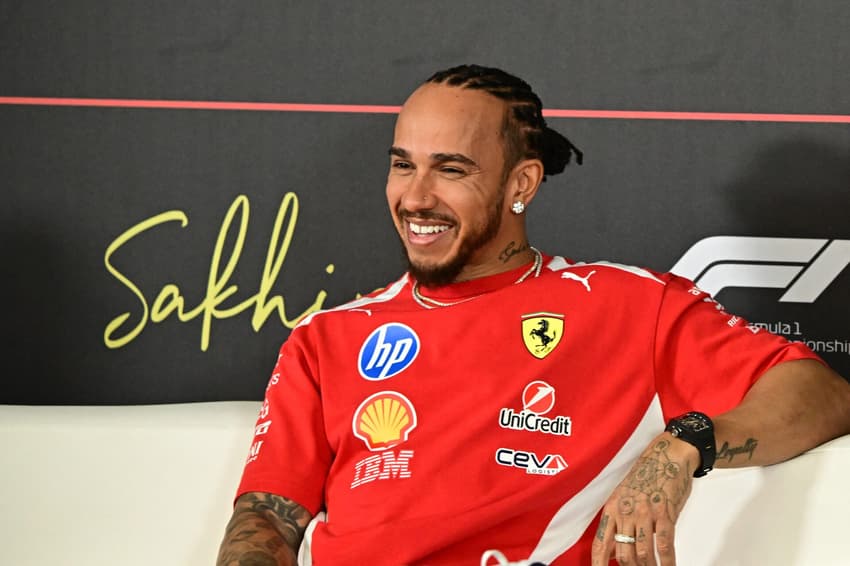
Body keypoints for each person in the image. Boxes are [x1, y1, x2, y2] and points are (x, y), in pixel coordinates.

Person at [217, 64, 850, 566]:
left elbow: (821, 395)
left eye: (451, 170)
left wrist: (683, 444)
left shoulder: (629, 306)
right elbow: (267, 517)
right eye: (402, 164)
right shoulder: (325, 338)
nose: (415, 196)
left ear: (522, 183)